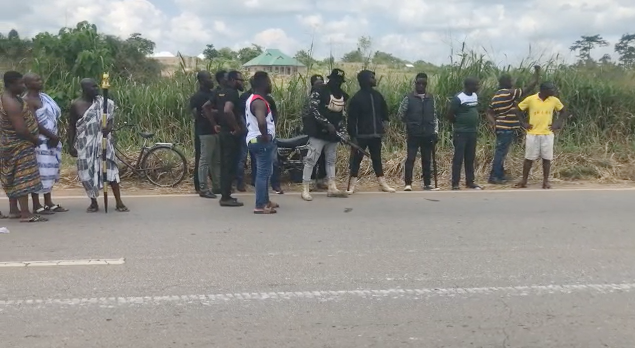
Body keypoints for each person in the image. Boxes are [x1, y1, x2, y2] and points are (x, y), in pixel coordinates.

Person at [68, 78, 129, 212]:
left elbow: (111, 120)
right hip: (84, 144)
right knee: (86, 174)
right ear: (84, 89)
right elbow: (72, 126)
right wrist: (70, 145)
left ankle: (119, 202)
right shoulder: (76, 105)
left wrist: (109, 128)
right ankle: (93, 202)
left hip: (104, 142)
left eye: (97, 87)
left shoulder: (105, 103)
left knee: (111, 171)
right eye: (93, 87)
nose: (96, 89)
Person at [0, 71, 46, 222]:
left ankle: (14, 210)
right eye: (20, 83)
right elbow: (20, 129)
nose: (23, 85)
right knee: (23, 177)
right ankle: (26, 213)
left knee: (13, 176)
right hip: (19, 145)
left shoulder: (15, 99)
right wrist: (34, 139)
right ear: (11, 84)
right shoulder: (10, 102)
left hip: (16, 144)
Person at [300, 68, 349, 201]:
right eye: (335, 80)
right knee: (311, 160)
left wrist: (343, 133)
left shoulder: (343, 95)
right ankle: (305, 188)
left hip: (333, 134)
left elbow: (342, 117)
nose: (338, 83)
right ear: (330, 79)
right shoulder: (319, 91)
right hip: (317, 132)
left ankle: (332, 187)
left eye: (340, 81)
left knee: (331, 160)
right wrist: (326, 124)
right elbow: (313, 109)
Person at [486, 66, 541, 184]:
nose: (513, 83)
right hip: (506, 127)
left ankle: (499, 175)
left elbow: (489, 112)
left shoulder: (496, 95)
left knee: (501, 151)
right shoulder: (509, 93)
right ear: (507, 83)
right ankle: (495, 177)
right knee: (501, 152)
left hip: (501, 127)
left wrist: (493, 122)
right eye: (511, 81)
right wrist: (536, 75)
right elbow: (527, 89)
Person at [23, 73, 68, 214]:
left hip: (51, 139)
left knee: (50, 171)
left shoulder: (44, 97)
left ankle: (48, 201)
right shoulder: (27, 100)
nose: (40, 81)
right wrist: (51, 136)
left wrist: (54, 137)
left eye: (40, 78)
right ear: (27, 84)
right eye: (36, 80)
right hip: (39, 141)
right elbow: (34, 122)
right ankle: (36, 205)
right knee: (39, 172)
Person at [346, 70, 395, 194]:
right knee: (356, 160)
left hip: (376, 134)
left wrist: (385, 124)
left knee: (377, 159)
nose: (375, 79)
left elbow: (385, 112)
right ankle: (351, 185)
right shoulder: (357, 98)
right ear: (365, 80)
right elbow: (351, 119)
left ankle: (382, 183)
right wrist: (353, 136)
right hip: (361, 135)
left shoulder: (378, 95)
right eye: (372, 77)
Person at [515, 82, 570, 189]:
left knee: (547, 159)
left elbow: (563, 112)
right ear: (543, 90)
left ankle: (545, 182)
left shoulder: (554, 100)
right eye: (551, 89)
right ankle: (524, 181)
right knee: (529, 159)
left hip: (547, 133)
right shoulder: (531, 99)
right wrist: (523, 123)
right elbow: (517, 110)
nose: (553, 92)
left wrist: (557, 123)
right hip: (533, 133)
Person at [397, 72, 439, 191]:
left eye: (423, 83)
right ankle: (408, 183)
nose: (421, 85)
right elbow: (400, 114)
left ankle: (427, 183)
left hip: (428, 133)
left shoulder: (431, 98)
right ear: (415, 83)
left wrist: (435, 132)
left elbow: (435, 116)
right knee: (411, 159)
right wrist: (410, 124)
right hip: (413, 133)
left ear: (426, 84)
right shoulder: (409, 98)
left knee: (427, 159)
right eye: (418, 83)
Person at [245, 71, 278, 214]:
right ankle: (260, 205)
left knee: (265, 172)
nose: (270, 84)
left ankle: (265, 201)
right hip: (260, 140)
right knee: (263, 174)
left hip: (254, 139)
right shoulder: (259, 101)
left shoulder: (252, 98)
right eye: (268, 81)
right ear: (263, 84)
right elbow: (261, 121)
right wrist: (265, 135)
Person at [215, 70, 246, 207]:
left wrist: (215, 124)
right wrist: (237, 128)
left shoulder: (220, 92)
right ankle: (225, 198)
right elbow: (228, 110)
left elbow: (207, 107)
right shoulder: (232, 93)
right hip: (231, 134)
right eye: (240, 80)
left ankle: (226, 194)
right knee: (229, 165)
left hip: (223, 132)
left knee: (224, 164)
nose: (242, 82)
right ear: (233, 80)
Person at [447, 77, 483, 190]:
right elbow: (450, 114)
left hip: (472, 132)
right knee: (458, 158)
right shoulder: (458, 98)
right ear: (468, 86)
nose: (477, 87)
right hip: (461, 132)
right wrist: (459, 123)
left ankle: (470, 181)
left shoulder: (474, 96)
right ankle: (455, 183)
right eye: (475, 85)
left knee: (470, 158)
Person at [190, 71, 220, 198]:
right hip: (203, 131)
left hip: (215, 131)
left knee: (215, 161)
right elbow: (194, 112)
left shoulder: (213, 94)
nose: (211, 80)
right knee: (203, 160)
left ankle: (217, 186)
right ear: (202, 81)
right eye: (208, 78)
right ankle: (202, 187)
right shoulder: (198, 96)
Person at [308, 74, 327, 190]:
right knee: (313, 157)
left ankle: (321, 180)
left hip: (325, 130)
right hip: (314, 131)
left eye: (321, 82)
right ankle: (310, 181)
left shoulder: (325, 95)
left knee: (323, 157)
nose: (320, 84)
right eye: (317, 82)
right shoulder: (311, 97)